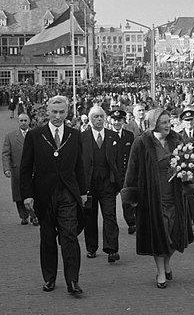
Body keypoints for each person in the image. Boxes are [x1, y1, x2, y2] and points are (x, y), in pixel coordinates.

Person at [20, 95, 88, 295]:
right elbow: (25, 169)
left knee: (69, 236)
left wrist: (83, 192)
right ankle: (49, 278)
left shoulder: (74, 135)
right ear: (47, 112)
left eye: (62, 112)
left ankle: (73, 280)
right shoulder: (35, 136)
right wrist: (27, 195)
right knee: (48, 238)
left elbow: (79, 167)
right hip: (44, 194)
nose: (58, 116)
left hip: (68, 193)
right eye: (54, 112)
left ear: (67, 113)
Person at [121, 108, 194, 289]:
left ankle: (167, 262)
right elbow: (132, 170)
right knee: (159, 234)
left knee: (174, 234)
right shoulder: (141, 142)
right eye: (163, 122)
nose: (168, 125)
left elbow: (189, 164)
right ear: (154, 123)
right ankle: (160, 271)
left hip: (175, 196)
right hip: (152, 197)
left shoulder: (177, 140)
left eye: (169, 122)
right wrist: (132, 197)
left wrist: (189, 176)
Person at [81, 105, 124, 263]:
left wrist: (119, 181)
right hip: (90, 185)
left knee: (110, 215)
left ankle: (112, 249)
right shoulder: (82, 137)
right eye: (95, 117)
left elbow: (119, 161)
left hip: (108, 184)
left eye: (101, 116)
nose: (99, 119)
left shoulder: (113, 136)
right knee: (90, 217)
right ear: (90, 119)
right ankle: (91, 247)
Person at [1, 113, 37, 225]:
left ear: (29, 121)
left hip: (34, 170)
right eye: (21, 120)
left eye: (25, 120)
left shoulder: (36, 135)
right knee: (19, 194)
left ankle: (34, 216)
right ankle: (23, 216)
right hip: (18, 170)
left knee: (34, 193)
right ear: (18, 122)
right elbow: (6, 153)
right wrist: (7, 168)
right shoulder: (10, 136)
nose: (23, 123)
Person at [110, 108, 136, 235]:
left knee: (127, 200)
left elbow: (132, 155)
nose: (117, 123)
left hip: (126, 173)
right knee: (109, 203)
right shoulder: (108, 135)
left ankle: (131, 222)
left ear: (123, 121)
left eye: (119, 120)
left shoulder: (129, 135)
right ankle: (112, 225)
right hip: (112, 174)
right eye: (114, 120)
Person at [178, 107, 194, 232]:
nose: (189, 122)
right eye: (187, 120)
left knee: (192, 194)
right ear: (183, 121)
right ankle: (189, 221)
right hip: (183, 167)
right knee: (186, 195)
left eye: (191, 119)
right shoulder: (178, 135)